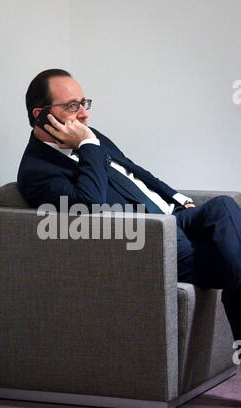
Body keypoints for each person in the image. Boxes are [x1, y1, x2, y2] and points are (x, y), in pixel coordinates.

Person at [17, 69, 241, 342]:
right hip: (150, 238)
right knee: (231, 255)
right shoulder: (37, 170)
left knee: (223, 206)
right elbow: (89, 205)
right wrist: (87, 145)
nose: (84, 114)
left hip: (176, 215)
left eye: (83, 103)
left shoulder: (90, 135)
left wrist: (178, 198)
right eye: (72, 106)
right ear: (40, 114)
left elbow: (133, 171)